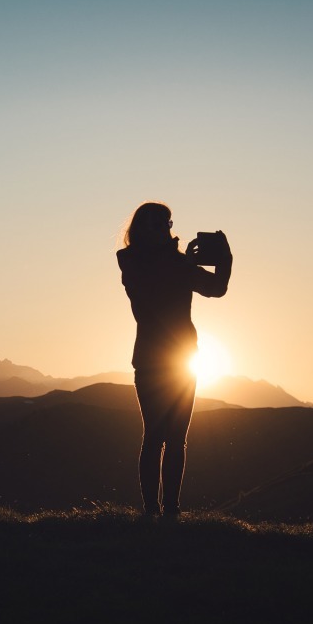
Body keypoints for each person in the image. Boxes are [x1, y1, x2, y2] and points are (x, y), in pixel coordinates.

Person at [116, 202, 232, 519]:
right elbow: (150, 290)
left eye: (168, 222)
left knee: (176, 438)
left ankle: (170, 511)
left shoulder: (177, 263)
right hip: (154, 360)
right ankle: (153, 510)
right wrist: (184, 264)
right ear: (142, 228)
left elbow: (216, 288)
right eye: (159, 224)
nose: (167, 229)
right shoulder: (130, 261)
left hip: (182, 358)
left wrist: (225, 259)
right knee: (155, 436)